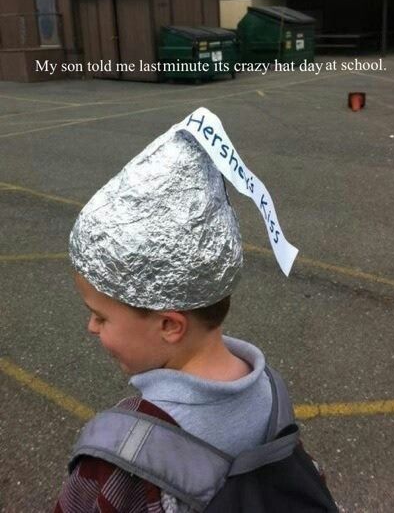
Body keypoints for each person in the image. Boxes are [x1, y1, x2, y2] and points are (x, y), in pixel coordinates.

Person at [55, 119, 275, 512]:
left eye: (101, 317)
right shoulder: (271, 392)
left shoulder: (122, 459)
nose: (91, 327)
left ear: (170, 325)